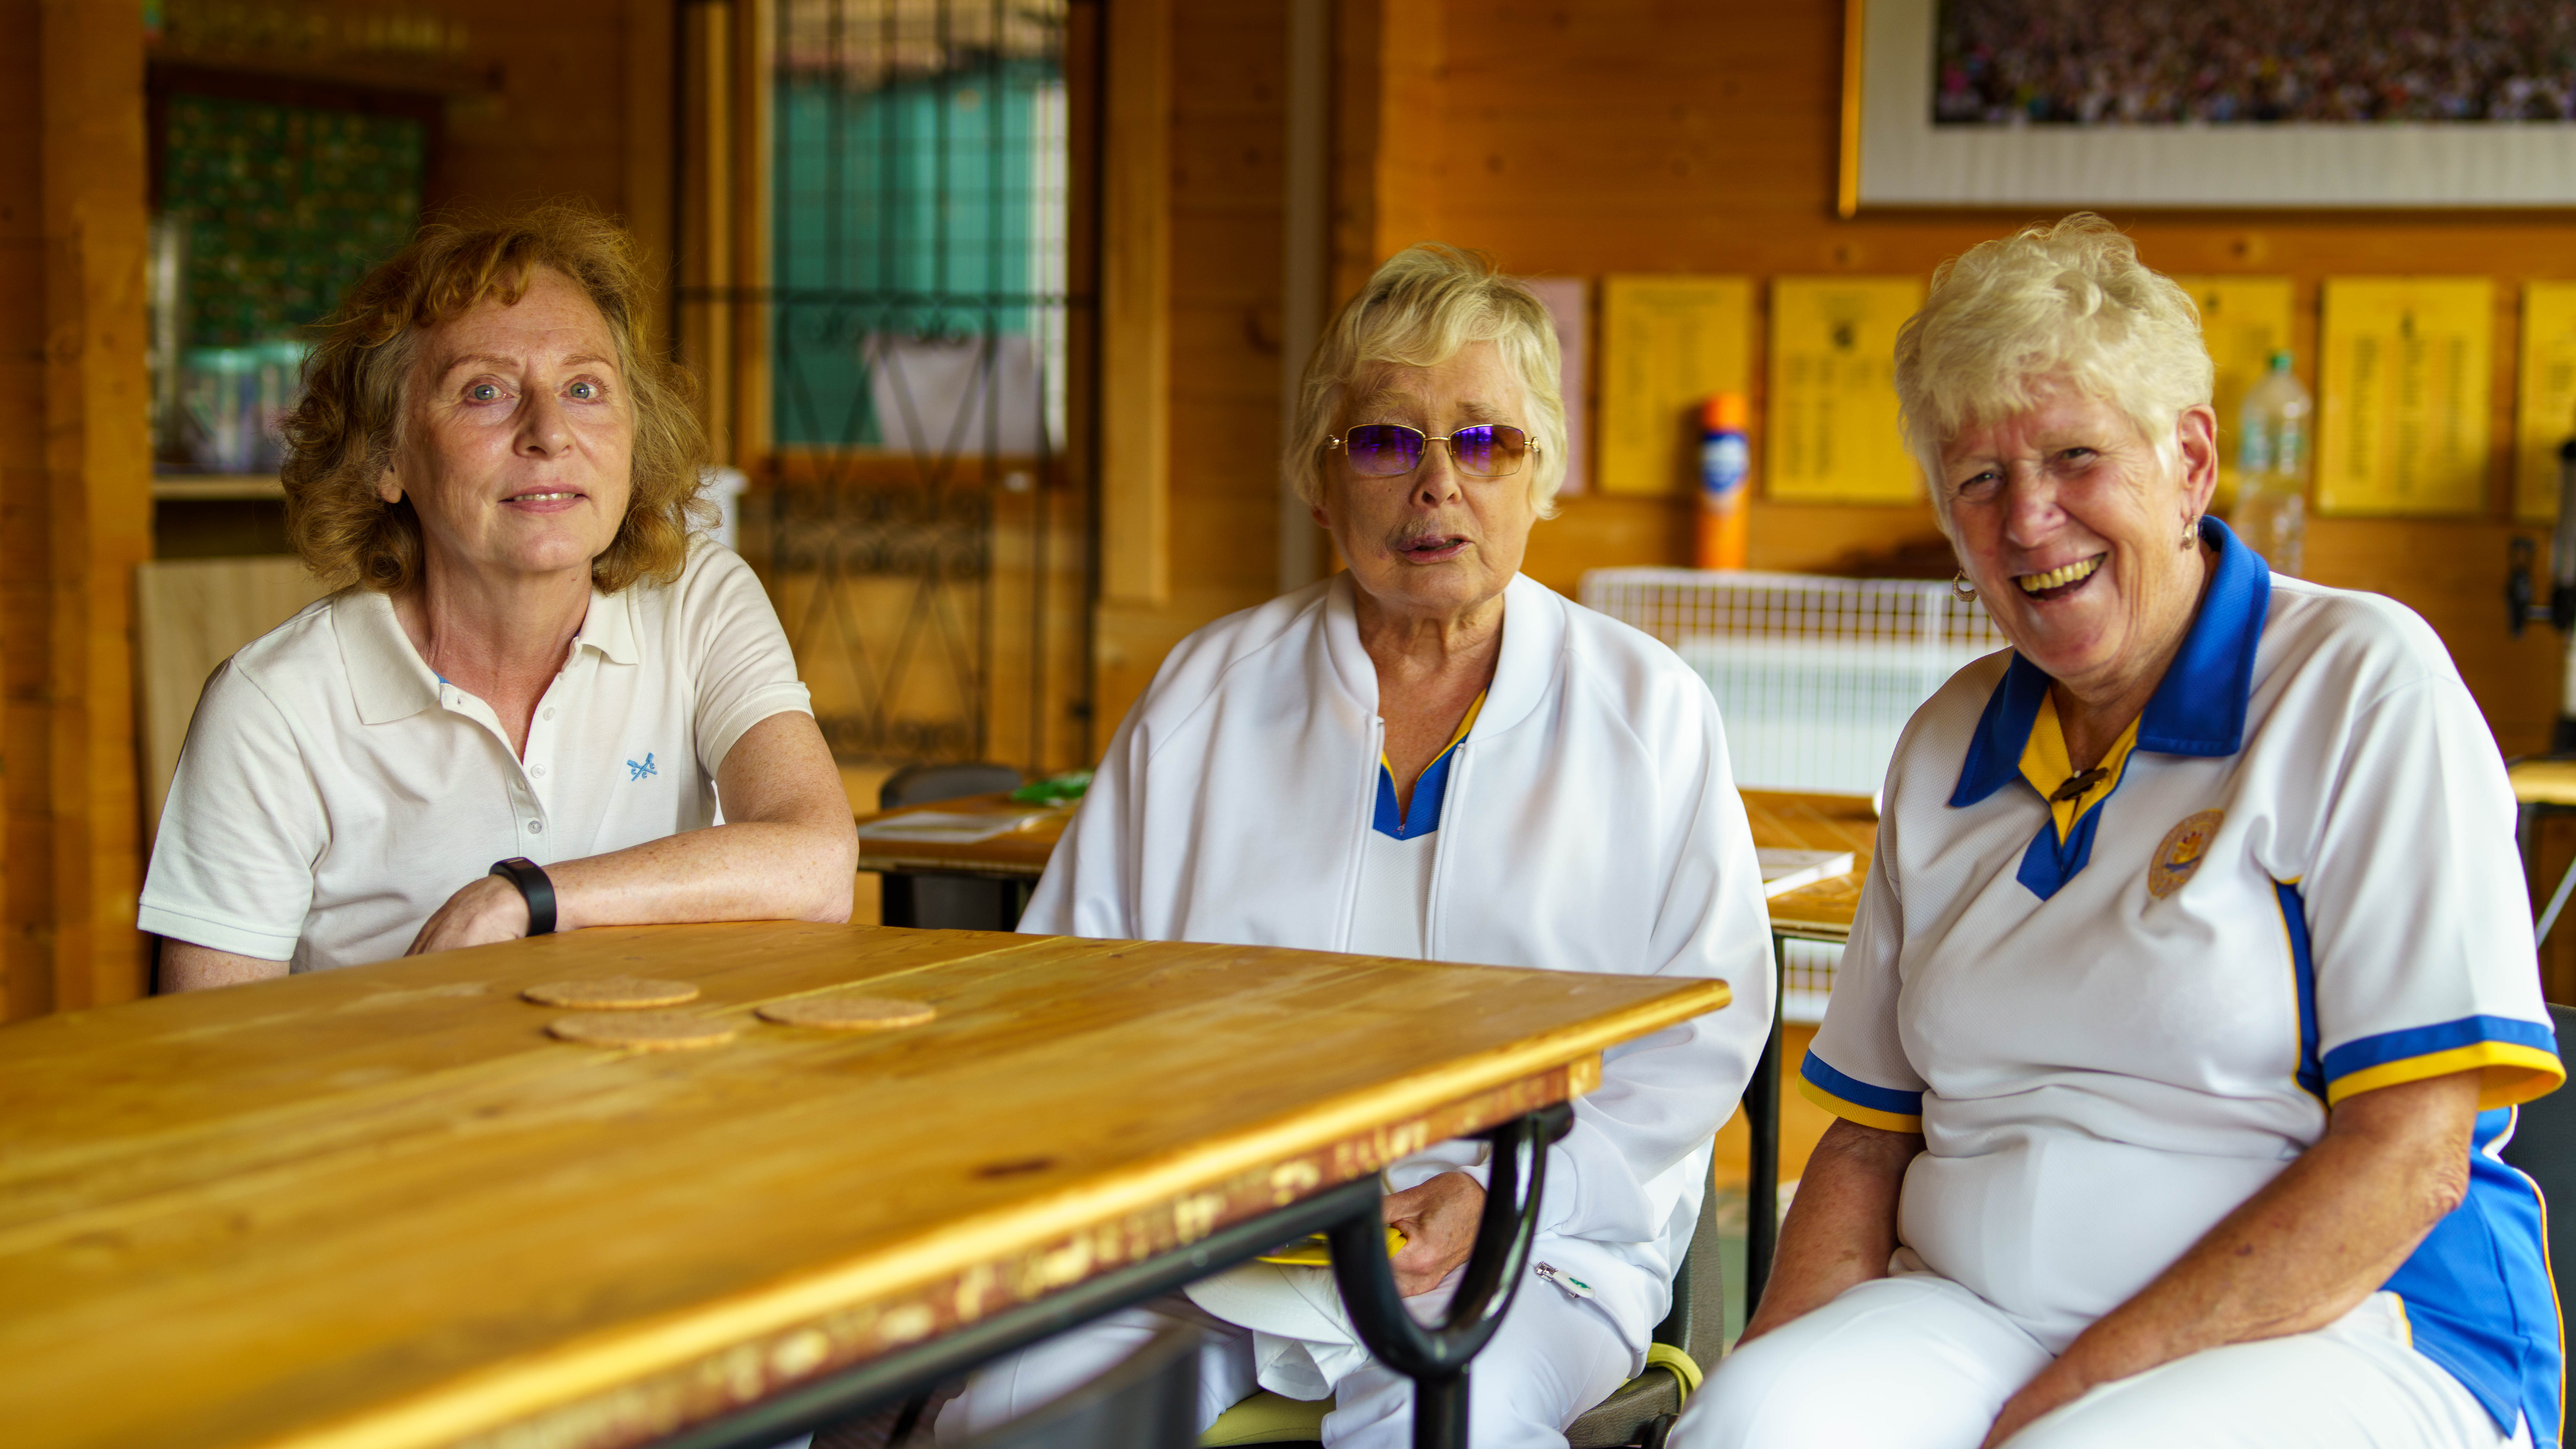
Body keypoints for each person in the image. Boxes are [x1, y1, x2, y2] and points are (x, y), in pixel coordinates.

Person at [1674, 215, 2564, 1449]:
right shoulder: (1947, 745)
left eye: (2075, 457)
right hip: (1974, 1309)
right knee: (1755, 1430)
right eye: (1979, 480)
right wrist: (1755, 1386)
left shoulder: (2361, 684)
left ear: (2190, 460)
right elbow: (1869, 1142)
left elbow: (2413, 1155)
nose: (2029, 521)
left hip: (2346, 1325)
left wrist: (2077, 1390)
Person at [930, 245, 1774, 1449]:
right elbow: (1070, 993)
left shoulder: (1647, 711)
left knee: (1441, 1424)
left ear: (1543, 479)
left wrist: (1505, 1194)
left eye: (1486, 442)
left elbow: (1705, 1039)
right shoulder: (1207, 694)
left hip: (1531, 1240)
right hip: (1218, 1244)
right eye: (1386, 441)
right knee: (1010, 1415)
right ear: (1321, 484)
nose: (1438, 485)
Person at [142, 207, 856, 985]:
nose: (549, 432)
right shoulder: (272, 706)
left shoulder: (697, 601)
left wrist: (527, 899)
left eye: (585, 387)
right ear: (387, 459)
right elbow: (212, 1052)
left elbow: (818, 859)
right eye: (484, 391)